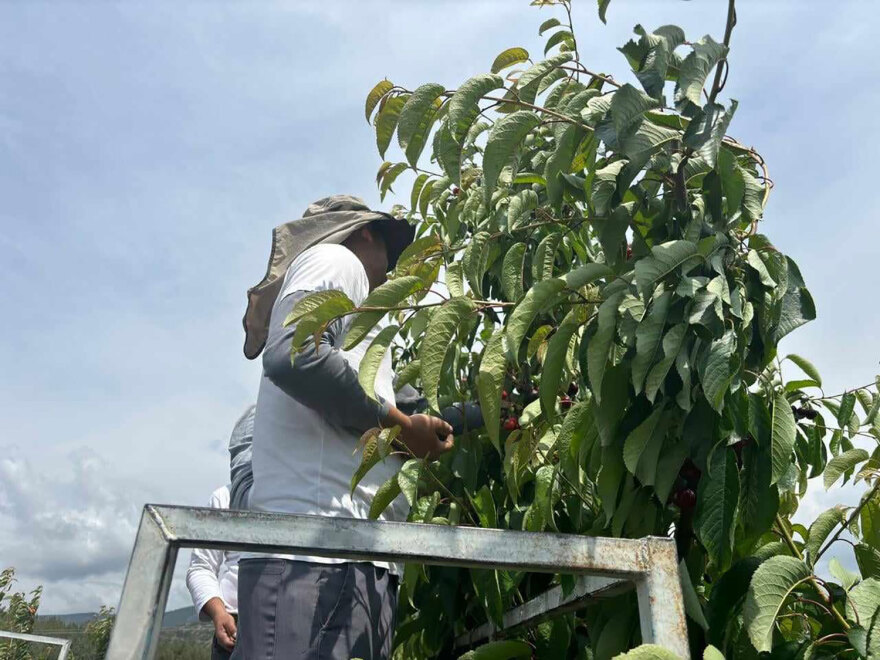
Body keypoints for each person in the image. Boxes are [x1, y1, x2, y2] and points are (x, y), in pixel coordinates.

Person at [233, 195, 456, 660]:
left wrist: (497, 409)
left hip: (346, 558)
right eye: (389, 254)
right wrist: (398, 427)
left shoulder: (359, 326)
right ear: (365, 232)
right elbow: (295, 354)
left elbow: (415, 418)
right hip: (315, 556)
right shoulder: (337, 259)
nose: (391, 272)